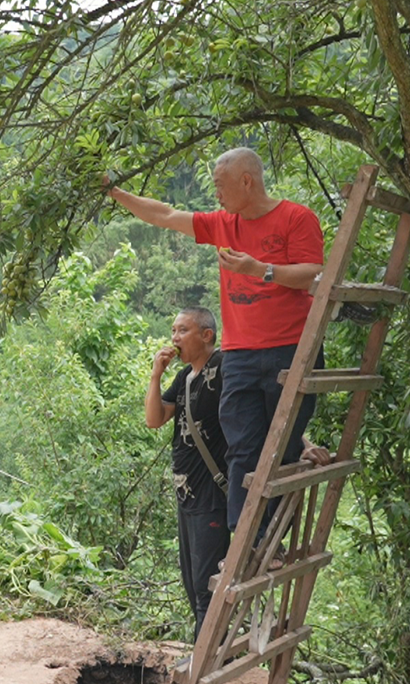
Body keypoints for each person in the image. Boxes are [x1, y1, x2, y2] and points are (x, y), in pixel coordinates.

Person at [107, 147, 325, 540]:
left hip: (290, 348)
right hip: (239, 352)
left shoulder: (296, 217)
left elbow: (315, 275)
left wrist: (259, 270)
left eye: (221, 186)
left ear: (247, 181)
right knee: (241, 447)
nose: (217, 195)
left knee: (282, 450)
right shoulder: (223, 223)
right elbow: (165, 215)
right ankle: (243, 539)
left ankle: (271, 539)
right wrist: (116, 193)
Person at [144, 307, 228, 638]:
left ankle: (204, 663)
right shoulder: (184, 377)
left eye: (182, 331)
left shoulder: (223, 367)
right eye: (173, 332)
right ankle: (208, 658)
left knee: (207, 586)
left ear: (206, 335)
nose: (174, 338)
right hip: (186, 496)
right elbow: (154, 419)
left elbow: (261, 411)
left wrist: (305, 445)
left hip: (211, 494)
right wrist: (156, 375)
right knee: (193, 585)